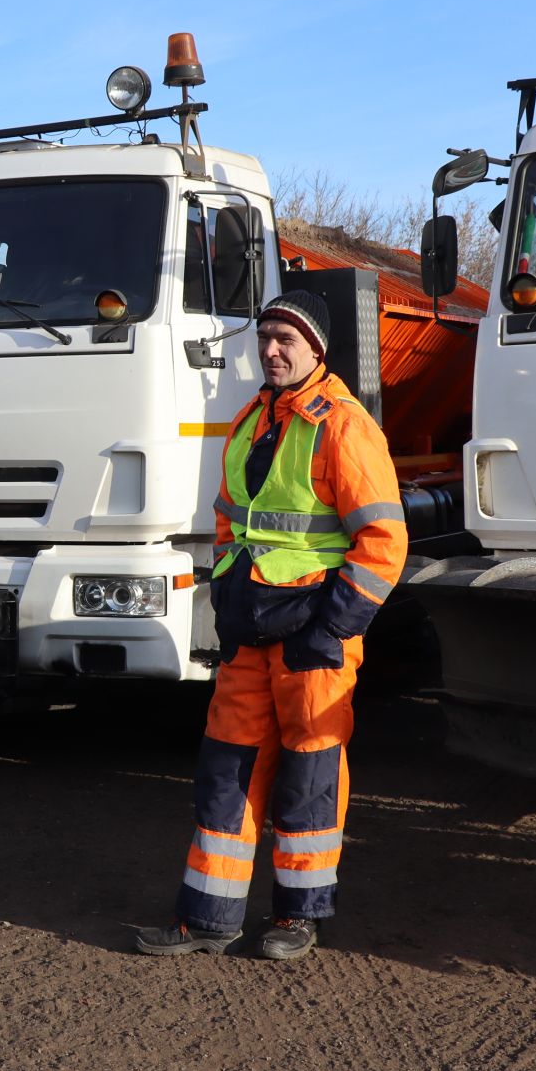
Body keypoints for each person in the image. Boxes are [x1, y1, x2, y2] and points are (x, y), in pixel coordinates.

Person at [136, 290, 406, 961]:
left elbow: (383, 542)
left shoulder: (343, 425)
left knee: (308, 778)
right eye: (265, 338)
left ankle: (298, 918)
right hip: (252, 633)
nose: (272, 349)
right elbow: (233, 523)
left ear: (318, 348)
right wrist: (228, 602)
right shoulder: (250, 421)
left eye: (286, 338)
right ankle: (209, 919)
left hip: (314, 634)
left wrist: (332, 629)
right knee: (225, 773)